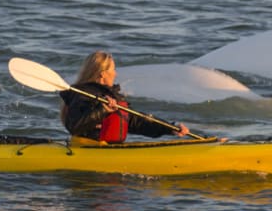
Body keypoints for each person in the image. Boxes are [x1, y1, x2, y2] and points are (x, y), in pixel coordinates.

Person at [59, 50, 191, 142]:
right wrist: (103, 110)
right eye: (113, 69)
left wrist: (170, 128)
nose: (115, 74)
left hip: (107, 149)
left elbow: (135, 121)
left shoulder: (111, 96)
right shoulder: (82, 95)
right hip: (88, 148)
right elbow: (74, 126)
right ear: (103, 74)